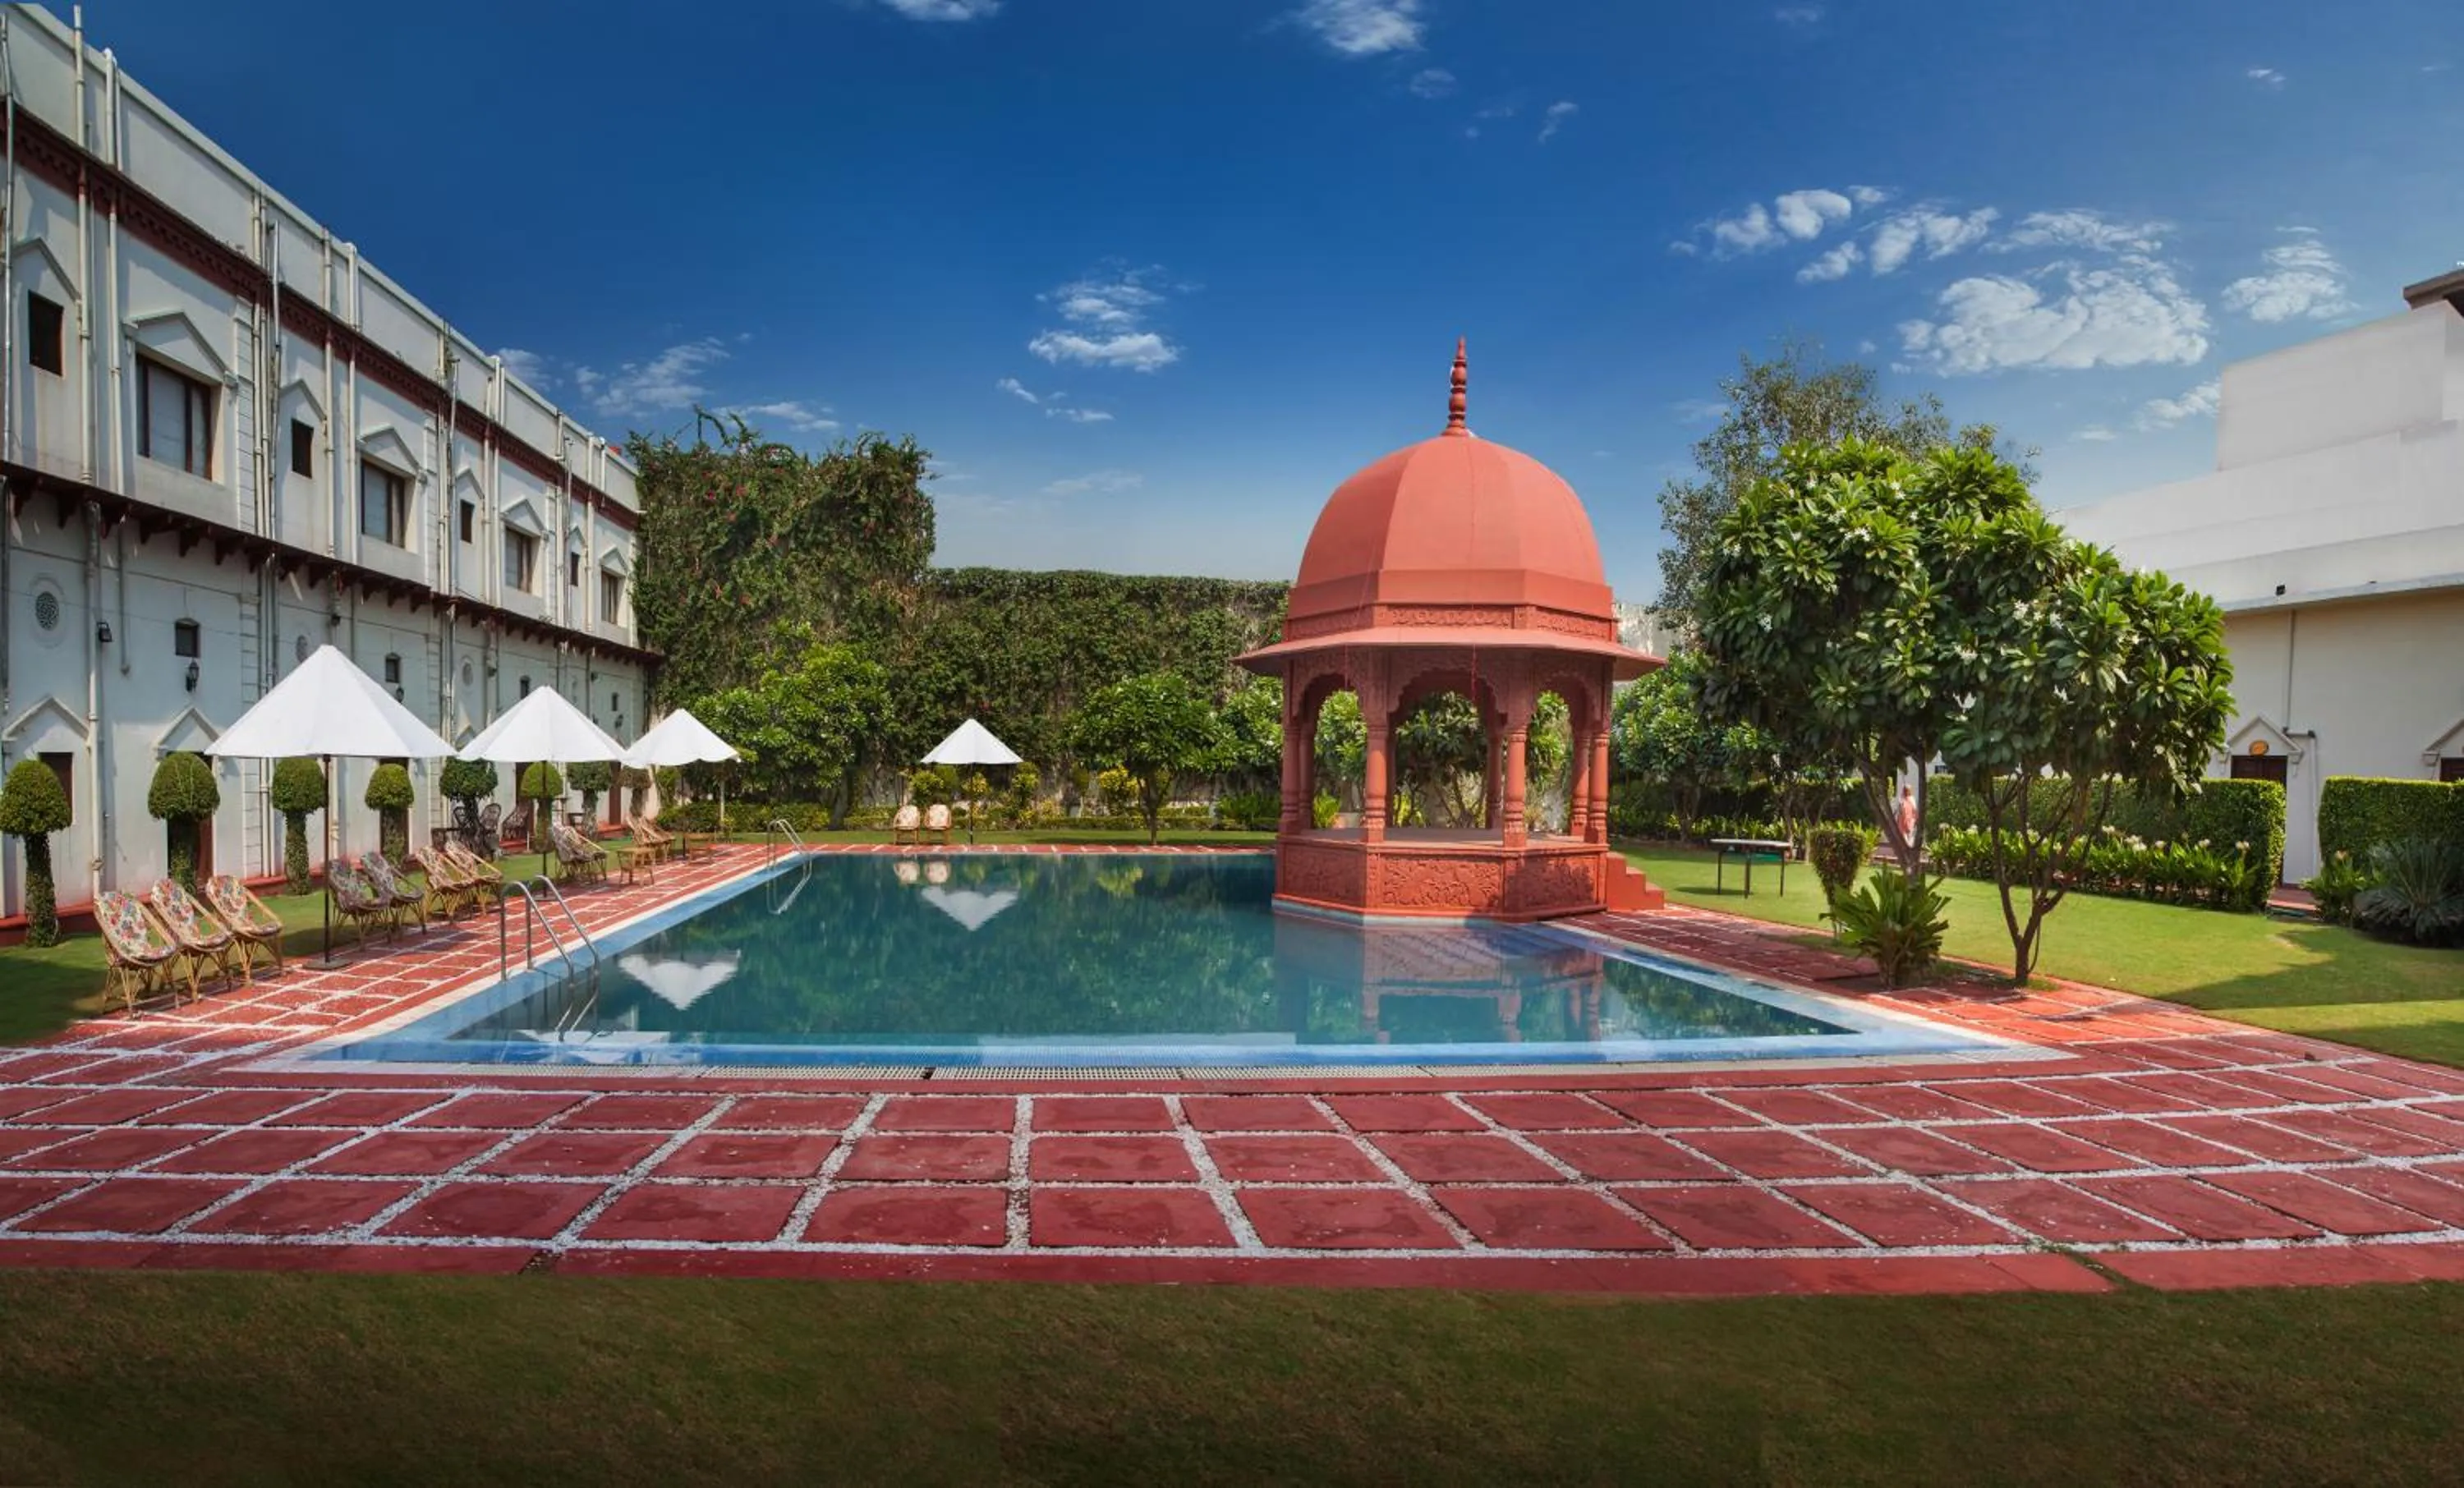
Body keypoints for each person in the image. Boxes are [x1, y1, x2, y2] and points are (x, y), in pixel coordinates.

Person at [1893, 783, 1919, 849]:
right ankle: (1906, 847)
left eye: (1907, 790)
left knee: (1908, 835)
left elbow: (1914, 810)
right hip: (1904, 819)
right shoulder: (1902, 799)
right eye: (1905, 790)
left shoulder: (1910, 799)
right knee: (1904, 835)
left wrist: (1916, 819)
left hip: (1909, 819)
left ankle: (1908, 848)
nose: (1905, 792)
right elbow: (1899, 809)